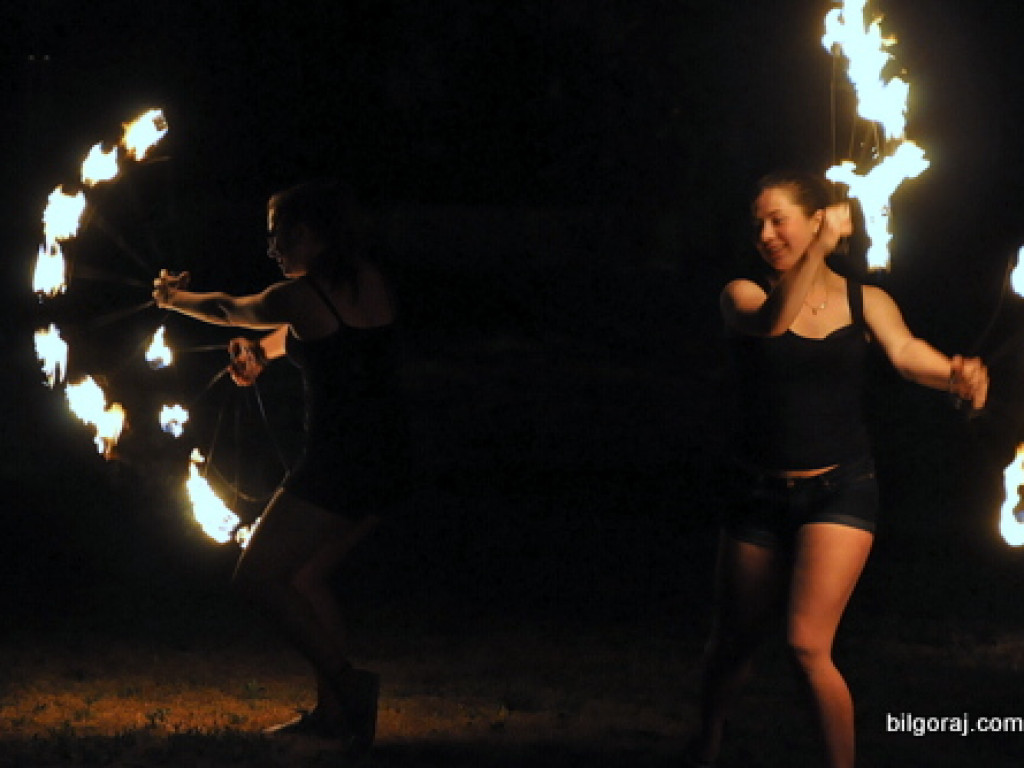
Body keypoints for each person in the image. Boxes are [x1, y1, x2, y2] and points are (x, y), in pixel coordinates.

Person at [687, 171, 988, 768]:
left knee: (806, 645)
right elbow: (774, 323)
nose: (767, 235)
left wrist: (954, 372)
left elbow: (905, 355)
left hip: (841, 489)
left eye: (780, 219)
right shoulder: (741, 294)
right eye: (759, 226)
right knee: (731, 647)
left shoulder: (864, 300)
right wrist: (820, 248)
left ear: (814, 218)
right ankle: (706, 745)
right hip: (758, 493)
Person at [153, 179, 411, 753]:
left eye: (278, 236)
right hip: (389, 460)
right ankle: (337, 715)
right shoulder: (364, 279)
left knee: (257, 578)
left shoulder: (299, 296)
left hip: (338, 465)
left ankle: (349, 686)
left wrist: (174, 300)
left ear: (308, 233)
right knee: (306, 577)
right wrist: (258, 352)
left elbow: (229, 308)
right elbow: (310, 335)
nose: (272, 249)